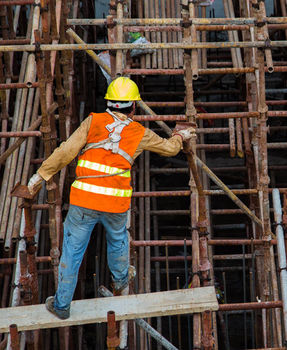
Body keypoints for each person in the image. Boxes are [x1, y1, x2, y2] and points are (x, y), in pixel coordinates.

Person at [28, 77, 196, 319]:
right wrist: (181, 136)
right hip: (115, 204)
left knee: (72, 253)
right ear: (134, 106)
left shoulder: (93, 121)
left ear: (108, 103)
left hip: (83, 202)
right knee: (117, 239)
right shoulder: (139, 132)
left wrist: (39, 176)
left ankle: (62, 305)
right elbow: (170, 149)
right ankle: (119, 281)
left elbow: (65, 152)